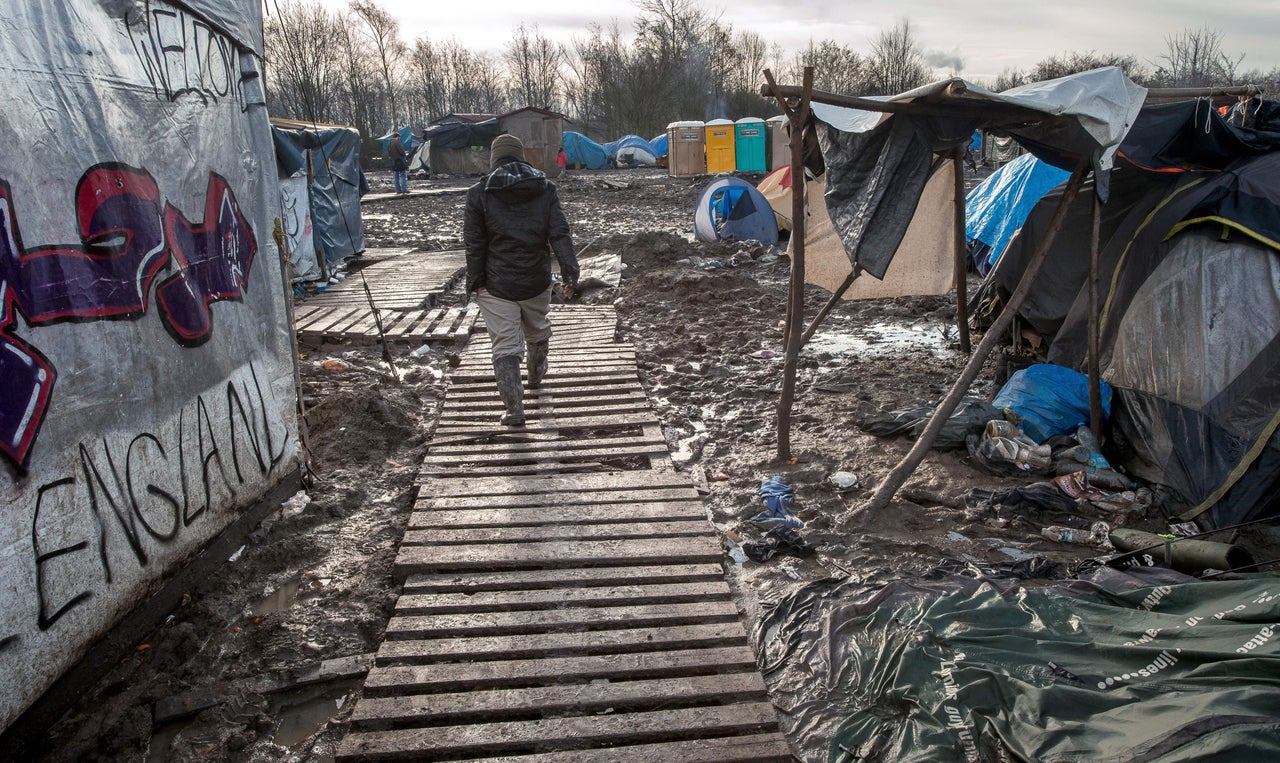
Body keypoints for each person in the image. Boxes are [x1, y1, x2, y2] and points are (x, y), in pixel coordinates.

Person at [464, 133, 579, 426]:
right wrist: (569, 271)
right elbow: (559, 233)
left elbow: (474, 244)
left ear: (494, 158)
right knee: (537, 330)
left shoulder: (479, 193)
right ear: (520, 156)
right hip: (535, 279)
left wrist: (475, 283)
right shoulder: (545, 189)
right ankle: (536, 377)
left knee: (505, 345)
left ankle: (515, 409)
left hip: (496, 284)